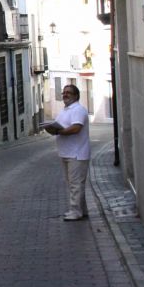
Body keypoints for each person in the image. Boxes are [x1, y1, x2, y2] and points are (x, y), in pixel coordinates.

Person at [44, 84, 91, 221]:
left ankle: (75, 211)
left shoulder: (78, 110)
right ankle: (82, 210)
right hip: (66, 153)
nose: (65, 94)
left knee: (75, 184)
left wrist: (59, 131)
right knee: (73, 183)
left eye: (68, 93)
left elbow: (76, 128)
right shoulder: (64, 110)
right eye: (64, 92)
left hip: (77, 153)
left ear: (76, 96)